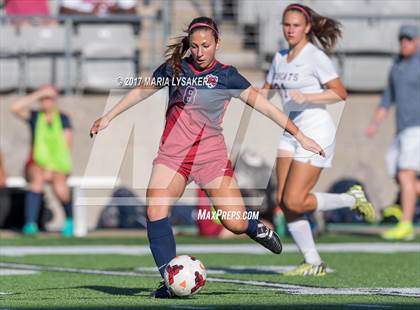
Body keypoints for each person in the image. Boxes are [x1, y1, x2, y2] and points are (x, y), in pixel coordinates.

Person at [90, 16, 324, 298]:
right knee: (155, 208)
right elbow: (141, 90)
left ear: (217, 44)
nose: (200, 52)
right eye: (195, 46)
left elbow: (266, 108)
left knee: (233, 223)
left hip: (211, 158)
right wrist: (108, 116)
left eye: (206, 46)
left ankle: (252, 226)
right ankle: (169, 279)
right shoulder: (175, 68)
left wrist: (300, 136)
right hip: (173, 156)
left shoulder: (227, 76)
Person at [261, 3, 375, 276]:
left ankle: (350, 199)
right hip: (290, 131)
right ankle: (313, 261)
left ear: (308, 27)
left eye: (296, 25)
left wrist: (309, 96)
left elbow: (340, 92)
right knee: (283, 200)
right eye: (286, 25)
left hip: (316, 131)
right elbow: (265, 92)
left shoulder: (315, 57)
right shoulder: (279, 57)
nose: (290, 30)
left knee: (296, 200)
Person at [366, 25, 420, 241]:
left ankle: (406, 224)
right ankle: (406, 220)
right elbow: (387, 99)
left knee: (406, 174)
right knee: (399, 174)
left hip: (417, 128)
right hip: (402, 130)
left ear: (417, 41)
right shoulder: (397, 67)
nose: (404, 43)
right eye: (402, 40)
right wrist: (375, 124)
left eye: (409, 39)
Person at [10, 85, 74, 237]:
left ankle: (70, 220)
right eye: (43, 99)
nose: (46, 102)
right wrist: (38, 93)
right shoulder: (35, 116)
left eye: (49, 98)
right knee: (37, 181)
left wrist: (53, 168)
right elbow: (14, 108)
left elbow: (66, 146)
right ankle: (31, 223)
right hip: (36, 162)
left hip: (57, 164)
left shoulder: (63, 119)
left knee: (60, 186)